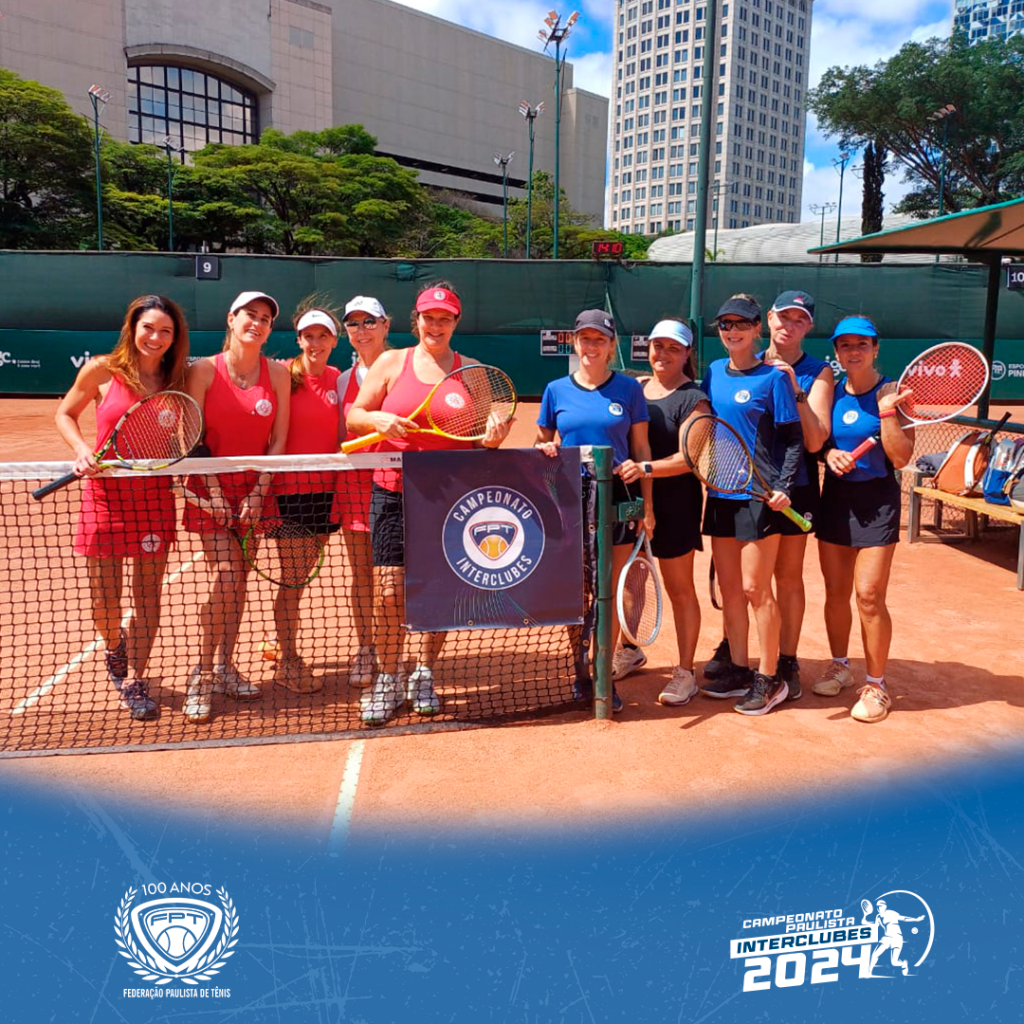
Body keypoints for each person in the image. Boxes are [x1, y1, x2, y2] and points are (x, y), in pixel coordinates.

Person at [347, 281, 512, 726]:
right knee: (388, 593)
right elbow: (354, 416)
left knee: (438, 593)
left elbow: (483, 433)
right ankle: (388, 677)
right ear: (415, 319)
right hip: (393, 490)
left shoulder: (472, 371)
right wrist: (377, 418)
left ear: (456, 322)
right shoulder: (390, 362)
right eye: (428, 318)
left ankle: (423, 672)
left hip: (449, 498)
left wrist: (495, 434)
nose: (435, 326)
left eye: (445, 319)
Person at [56, 294, 191, 721]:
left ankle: (135, 678)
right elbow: (65, 413)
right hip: (105, 498)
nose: (155, 337)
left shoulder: (178, 379)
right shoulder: (102, 370)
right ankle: (114, 646)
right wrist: (81, 450)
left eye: (165, 331)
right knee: (105, 602)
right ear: (133, 328)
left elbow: (179, 439)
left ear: (174, 337)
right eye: (148, 327)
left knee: (148, 596)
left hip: (154, 501)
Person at [702, 290, 833, 700]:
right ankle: (738, 663)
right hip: (726, 493)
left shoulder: (801, 374)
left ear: (757, 326)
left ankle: (778, 667)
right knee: (736, 588)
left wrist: (780, 485)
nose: (733, 330)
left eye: (742, 323)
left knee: (774, 582)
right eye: (726, 324)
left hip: (777, 493)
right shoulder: (721, 368)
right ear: (772, 320)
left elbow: (806, 440)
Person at [535, 309, 655, 713]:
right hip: (570, 498)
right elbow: (541, 441)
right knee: (577, 590)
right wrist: (545, 448)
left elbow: (641, 449)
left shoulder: (629, 390)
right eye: (585, 338)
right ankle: (579, 670)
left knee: (611, 588)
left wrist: (647, 505)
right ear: (575, 342)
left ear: (611, 345)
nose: (591, 346)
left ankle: (603, 673)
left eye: (599, 340)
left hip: (617, 496)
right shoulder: (555, 390)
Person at [182, 290, 291, 724]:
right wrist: (213, 494)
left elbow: (278, 441)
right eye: (250, 314)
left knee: (240, 582)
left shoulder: (277, 374)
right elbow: (194, 437)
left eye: (265, 318)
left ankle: (225, 666)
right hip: (209, 487)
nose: (257, 323)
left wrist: (259, 492)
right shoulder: (203, 371)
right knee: (227, 575)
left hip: (255, 492)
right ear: (231, 318)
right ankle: (202, 672)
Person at [813, 316, 913, 724]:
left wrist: (887, 414)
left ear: (875, 349)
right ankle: (840, 666)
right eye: (845, 345)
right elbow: (819, 442)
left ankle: (876, 685)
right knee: (835, 593)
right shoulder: (832, 394)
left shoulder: (893, 394)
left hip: (878, 502)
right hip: (836, 500)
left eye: (861, 344)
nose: (853, 351)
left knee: (869, 595)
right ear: (836, 352)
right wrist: (828, 455)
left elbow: (901, 458)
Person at [618, 319, 709, 706]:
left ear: (687, 353)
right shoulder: (635, 388)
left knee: (679, 588)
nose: (663, 354)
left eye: (674, 348)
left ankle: (686, 672)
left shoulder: (695, 400)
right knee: (631, 581)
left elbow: (689, 458)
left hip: (676, 504)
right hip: (631, 499)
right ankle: (629, 649)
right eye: (658, 346)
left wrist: (645, 469)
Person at [270, 301, 345, 695]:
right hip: (291, 495)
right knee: (294, 579)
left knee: (303, 573)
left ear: (334, 341)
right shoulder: (283, 375)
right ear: (298, 340)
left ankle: (279, 642)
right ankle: (288, 659)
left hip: (329, 493)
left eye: (323, 336)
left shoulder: (339, 380)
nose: (315, 342)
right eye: (308, 336)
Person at [336, 296, 391, 687]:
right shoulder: (342, 380)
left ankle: (395, 650)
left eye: (369, 321)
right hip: (354, 487)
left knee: (395, 575)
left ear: (385, 325)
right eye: (353, 323)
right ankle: (366, 648)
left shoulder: (403, 367)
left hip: (397, 485)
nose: (361, 330)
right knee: (362, 575)